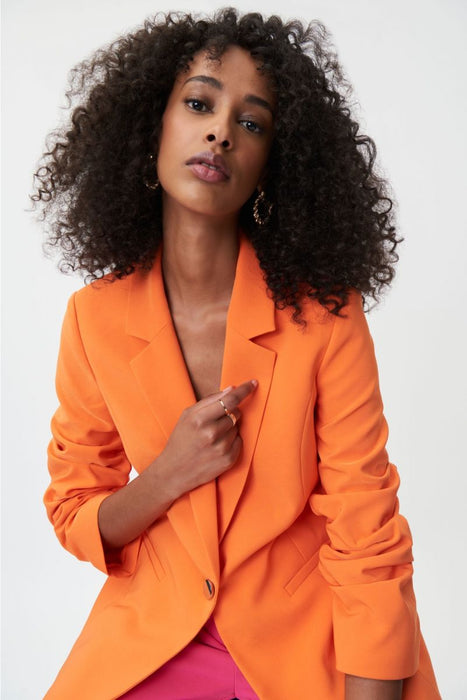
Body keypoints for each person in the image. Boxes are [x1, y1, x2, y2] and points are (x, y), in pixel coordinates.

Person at [32, 8, 441, 700]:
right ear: (151, 126)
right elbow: (75, 508)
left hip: (306, 640)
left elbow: (365, 535)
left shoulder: (324, 317)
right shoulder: (94, 317)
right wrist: (167, 475)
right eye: (199, 104)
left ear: (271, 165)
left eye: (250, 123)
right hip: (155, 635)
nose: (221, 132)